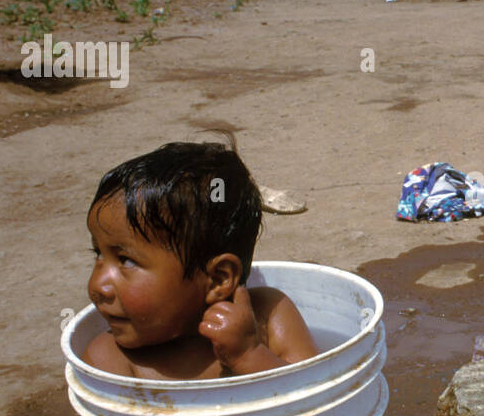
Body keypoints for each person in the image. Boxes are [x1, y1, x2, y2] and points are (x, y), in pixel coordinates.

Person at [82, 140, 318, 379]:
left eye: (126, 261)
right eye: (98, 254)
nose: (97, 285)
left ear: (218, 279)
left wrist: (249, 356)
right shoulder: (109, 361)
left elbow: (320, 393)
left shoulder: (268, 317)